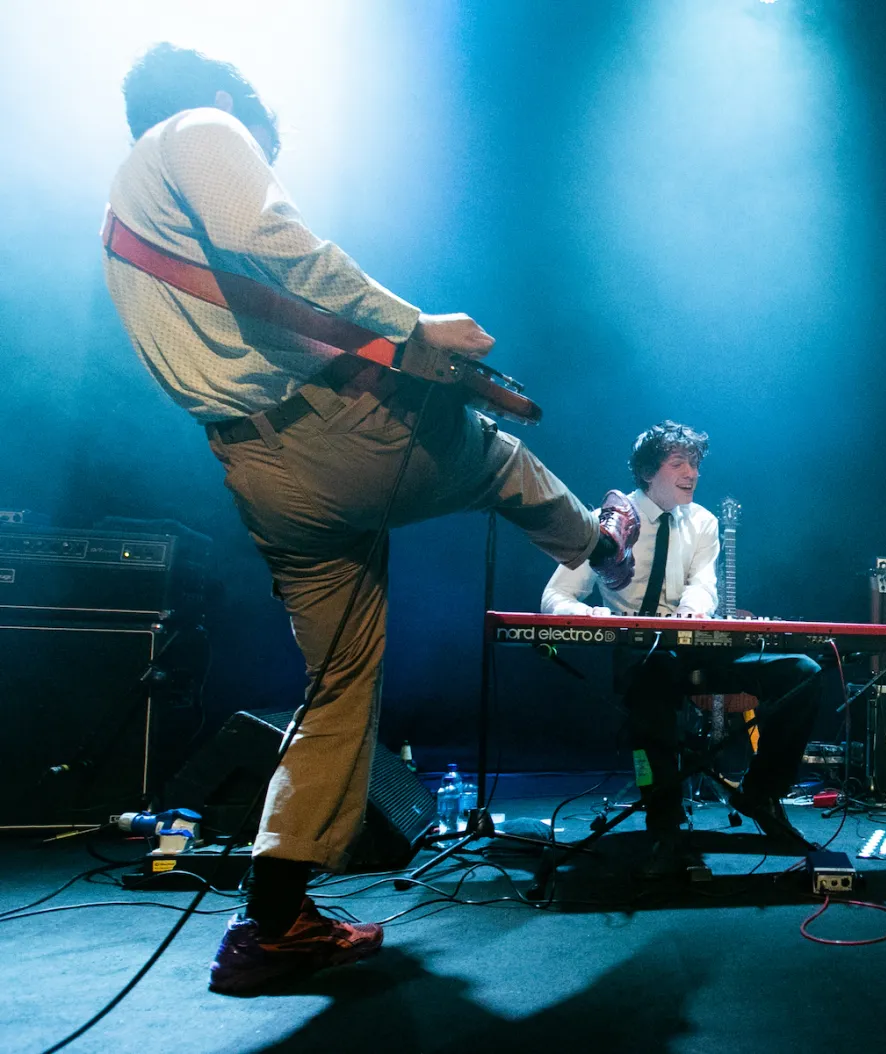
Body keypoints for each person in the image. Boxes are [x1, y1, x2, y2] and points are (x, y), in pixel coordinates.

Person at [103, 44, 638, 994]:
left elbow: (261, 300)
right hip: (328, 439)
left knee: (339, 685)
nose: (268, 150)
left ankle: (270, 923)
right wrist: (415, 328)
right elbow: (270, 234)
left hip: (255, 471)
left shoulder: (125, 233)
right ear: (233, 98)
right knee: (498, 457)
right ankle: (601, 548)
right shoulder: (200, 126)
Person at [542, 421, 822, 873]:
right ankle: (664, 820)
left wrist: (693, 610)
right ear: (650, 471)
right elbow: (555, 596)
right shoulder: (605, 523)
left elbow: (703, 585)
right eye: (679, 464)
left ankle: (761, 791)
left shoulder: (704, 521)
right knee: (653, 677)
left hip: (698, 648)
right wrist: (600, 617)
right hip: (642, 653)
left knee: (802, 672)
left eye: (695, 463)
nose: (692, 472)